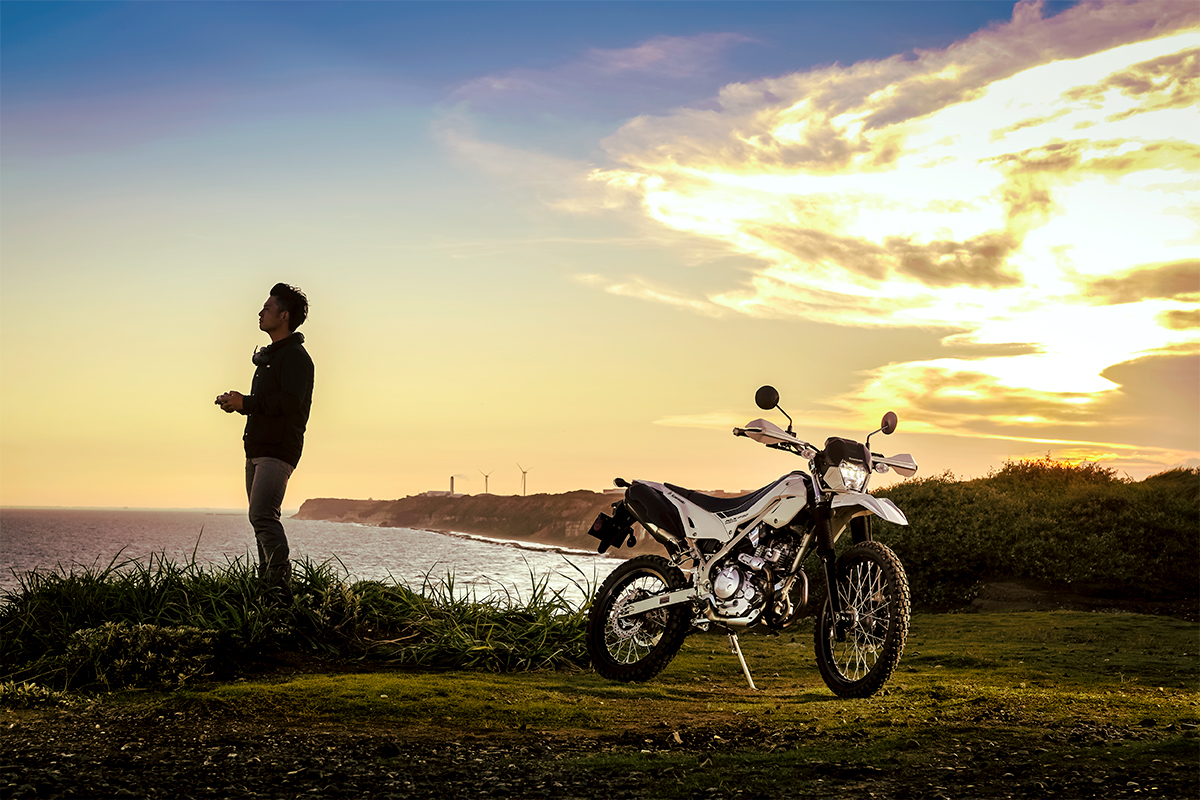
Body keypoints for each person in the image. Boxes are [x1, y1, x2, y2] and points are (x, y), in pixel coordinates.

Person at [216, 283, 314, 592]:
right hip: (257, 448)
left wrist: (246, 402)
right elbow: (268, 404)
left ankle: (279, 589)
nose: (261, 312)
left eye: (267, 308)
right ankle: (265, 588)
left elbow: (289, 403)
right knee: (259, 520)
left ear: (284, 316)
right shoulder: (271, 357)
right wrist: (239, 404)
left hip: (278, 449)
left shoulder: (296, 357)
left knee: (262, 516)